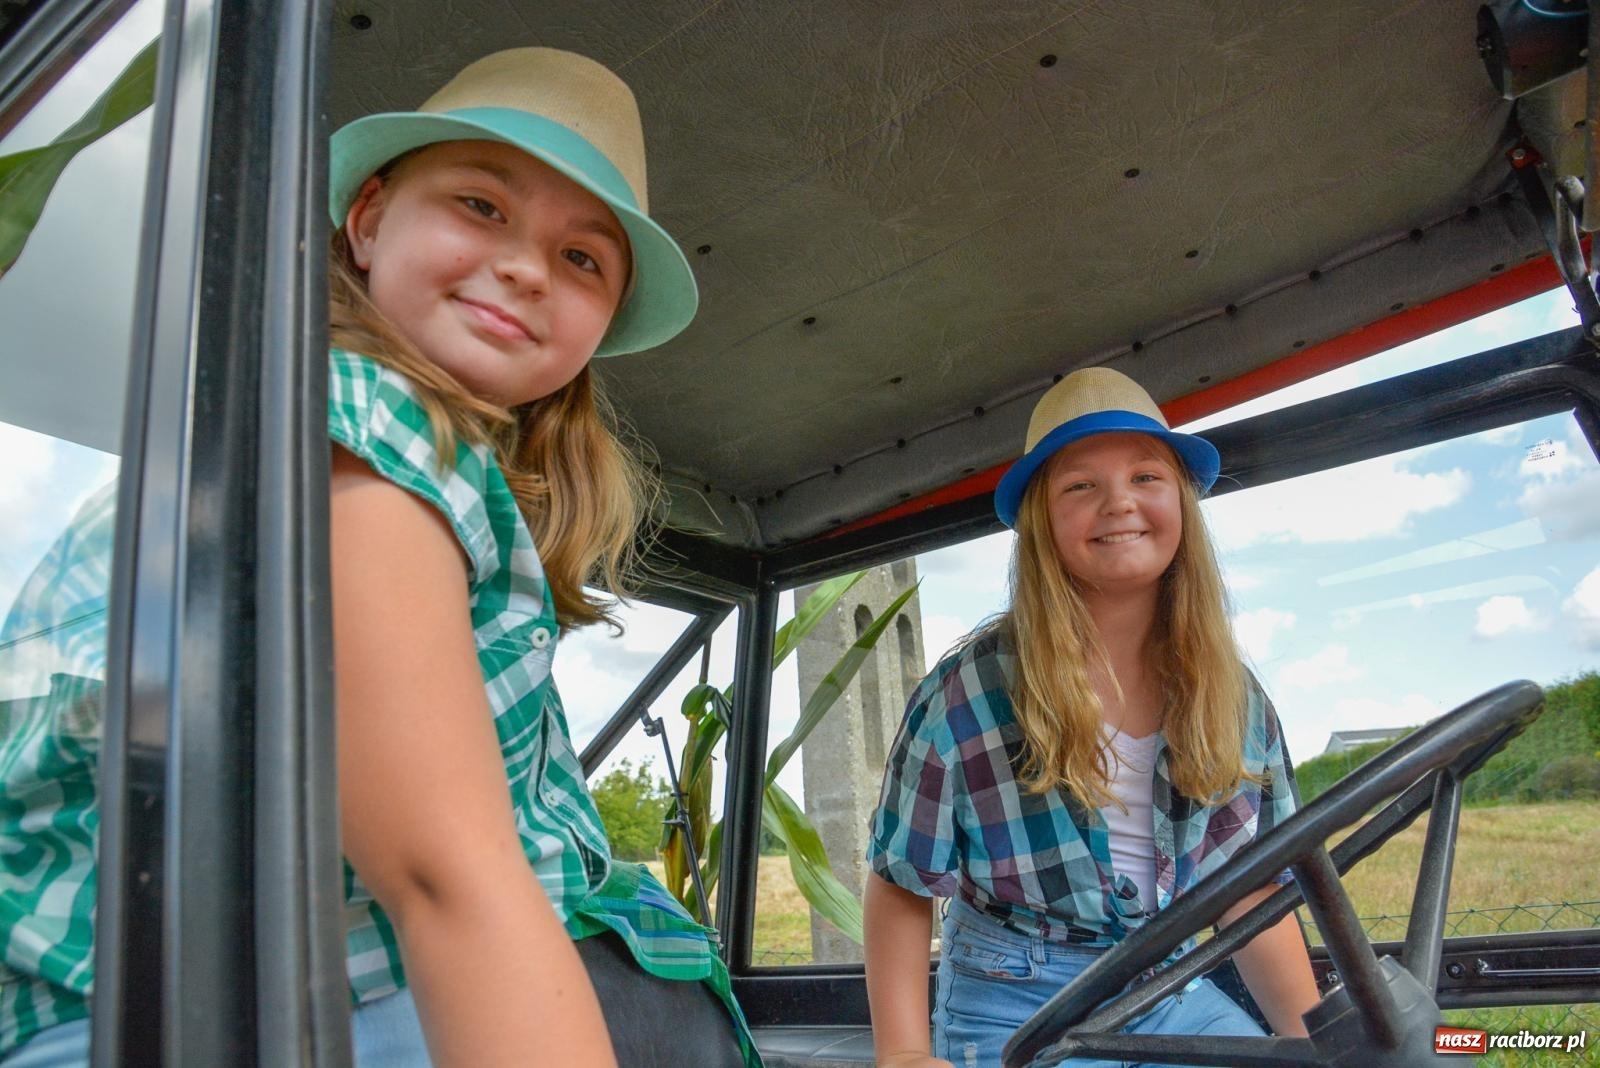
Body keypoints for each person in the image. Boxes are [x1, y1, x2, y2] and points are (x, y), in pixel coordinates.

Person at [0, 47, 759, 1068]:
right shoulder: (358, 410)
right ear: (366, 222)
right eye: (482, 205)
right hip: (171, 1017)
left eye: (583, 258)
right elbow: (448, 878)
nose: (528, 266)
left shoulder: (409, 456)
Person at [862, 367, 1320, 1067]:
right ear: (1042, 521)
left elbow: (1250, 887)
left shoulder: (1235, 696)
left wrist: (1320, 1044)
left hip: (1167, 982)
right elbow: (903, 878)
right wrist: (902, 1053)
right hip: (1014, 992)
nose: (1119, 504)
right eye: (1081, 485)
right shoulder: (968, 692)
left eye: (1146, 477)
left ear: (1182, 506)